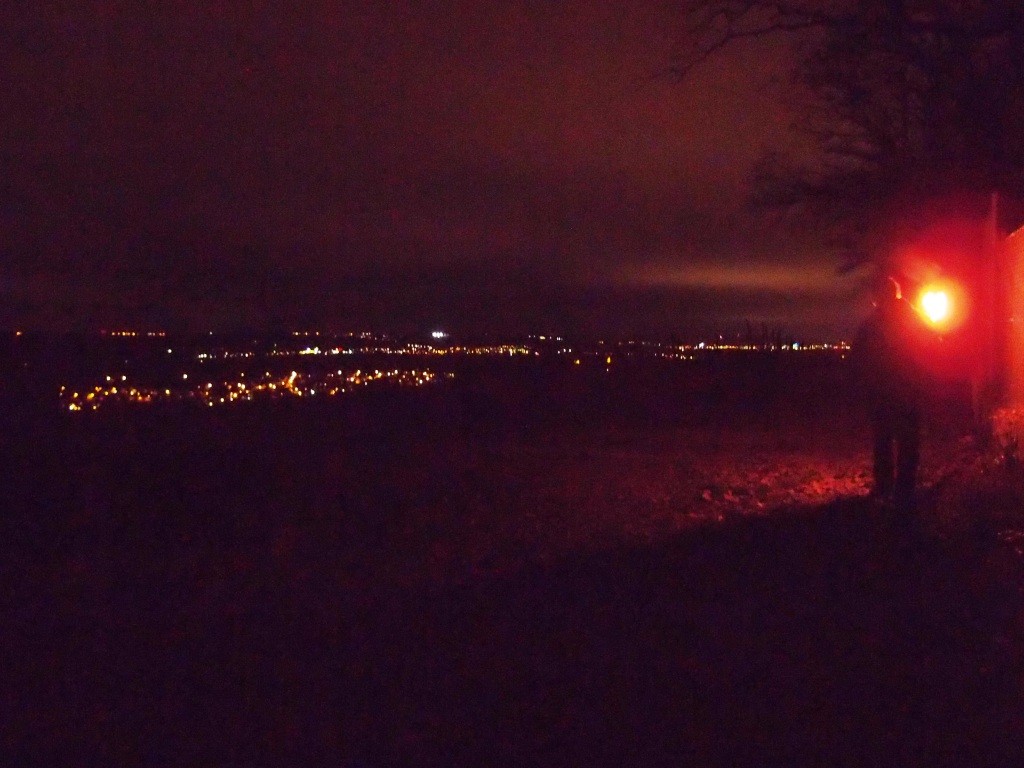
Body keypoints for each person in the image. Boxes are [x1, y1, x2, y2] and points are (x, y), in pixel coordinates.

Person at [852, 274, 933, 510]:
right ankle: (902, 490)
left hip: (888, 390)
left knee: (886, 439)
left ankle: (888, 487)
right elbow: (930, 349)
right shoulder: (914, 318)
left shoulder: (873, 323)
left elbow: (860, 357)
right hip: (905, 390)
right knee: (904, 441)